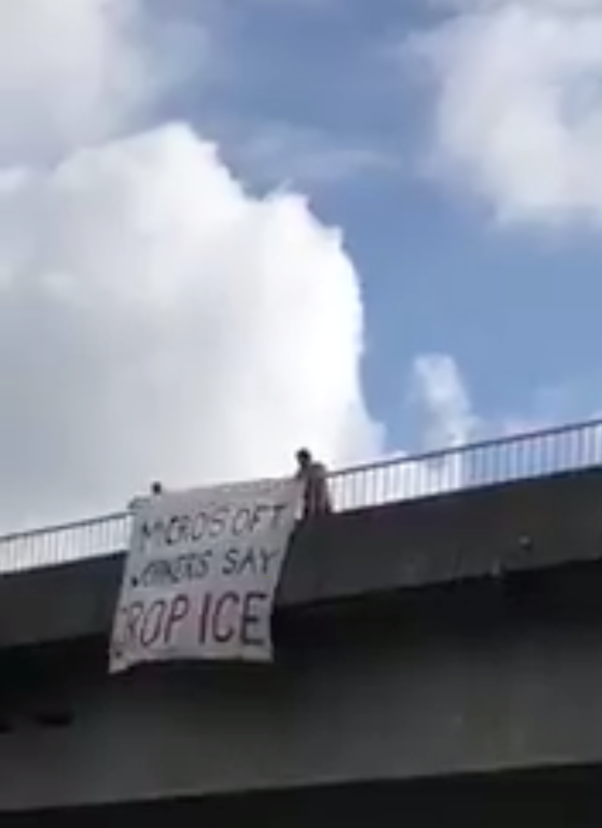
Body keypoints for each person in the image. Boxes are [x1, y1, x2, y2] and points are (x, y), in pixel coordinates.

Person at [295, 448, 333, 519]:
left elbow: (322, 475)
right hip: (308, 499)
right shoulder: (300, 472)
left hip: (319, 495)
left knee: (323, 511)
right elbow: (296, 483)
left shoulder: (317, 467)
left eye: (301, 459)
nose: (300, 462)